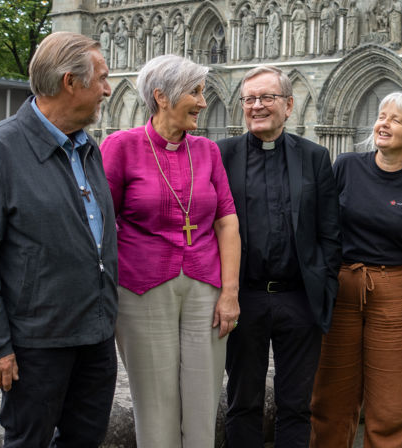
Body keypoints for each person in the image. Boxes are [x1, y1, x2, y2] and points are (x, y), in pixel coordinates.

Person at [0, 31, 118, 447]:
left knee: (87, 440)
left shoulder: (88, 149)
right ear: (70, 82)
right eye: (101, 78)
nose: (108, 89)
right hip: (36, 344)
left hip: (95, 338)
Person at [100, 54, 240, 447]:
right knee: (155, 405)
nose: (203, 102)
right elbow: (101, 223)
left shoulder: (207, 151)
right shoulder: (120, 146)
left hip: (205, 286)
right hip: (141, 288)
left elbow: (227, 222)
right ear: (162, 96)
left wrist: (230, 293)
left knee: (203, 401)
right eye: (195, 92)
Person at [311, 92, 402, 448]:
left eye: (395, 119)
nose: (383, 124)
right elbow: (320, 228)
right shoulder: (345, 166)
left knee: (394, 406)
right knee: (330, 400)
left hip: (397, 297)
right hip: (342, 291)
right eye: (381, 116)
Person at [218, 65, 341, 447]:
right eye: (249, 99)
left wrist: (324, 286)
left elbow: (330, 231)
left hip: (298, 299)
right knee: (242, 402)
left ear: (288, 105)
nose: (256, 106)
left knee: (297, 405)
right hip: (244, 298)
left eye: (266, 97)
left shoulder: (315, 157)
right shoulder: (221, 155)